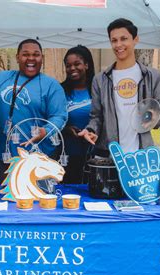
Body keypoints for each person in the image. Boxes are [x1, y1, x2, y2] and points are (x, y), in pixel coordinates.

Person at [0, 23, 68, 184]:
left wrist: (47, 130)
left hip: (39, 158)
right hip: (6, 156)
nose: (31, 58)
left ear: (41, 57)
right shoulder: (3, 78)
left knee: (39, 204)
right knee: (8, 202)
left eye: (36, 54)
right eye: (25, 54)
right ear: (17, 57)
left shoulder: (51, 85)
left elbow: (60, 116)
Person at [79, 18, 160, 157]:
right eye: (114, 40)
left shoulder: (153, 76)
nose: (119, 45)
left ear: (135, 39)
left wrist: (148, 117)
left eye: (124, 39)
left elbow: (159, 118)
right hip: (109, 155)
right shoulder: (100, 79)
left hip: (141, 155)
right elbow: (96, 116)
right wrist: (91, 130)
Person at [61, 45, 95, 184]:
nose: (72, 68)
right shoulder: (60, 90)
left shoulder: (97, 89)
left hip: (93, 153)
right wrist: (66, 129)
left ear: (86, 65)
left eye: (77, 64)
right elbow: (52, 118)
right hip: (67, 155)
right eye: (68, 65)